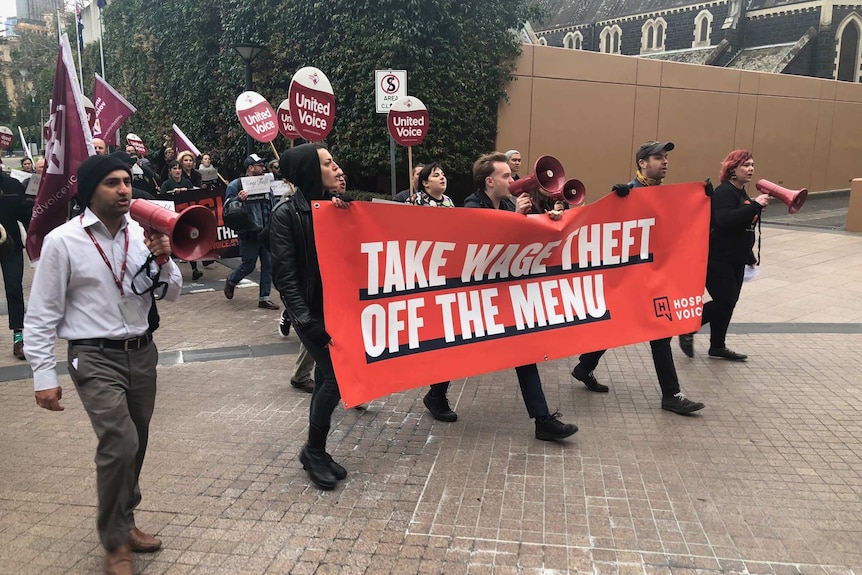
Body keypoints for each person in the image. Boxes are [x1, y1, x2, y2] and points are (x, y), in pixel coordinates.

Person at [24, 154, 183, 575]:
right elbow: (40, 316)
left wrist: (165, 258)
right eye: (113, 182)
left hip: (142, 353)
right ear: (90, 190)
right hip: (92, 356)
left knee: (138, 441)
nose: (125, 189)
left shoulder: (143, 233)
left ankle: (126, 520)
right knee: (120, 443)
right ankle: (114, 542)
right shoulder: (63, 241)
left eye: (128, 181)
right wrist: (44, 376)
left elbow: (171, 294)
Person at [422, 152, 578, 442]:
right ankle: (436, 395)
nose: (512, 179)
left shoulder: (507, 202)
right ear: (489, 181)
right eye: (506, 176)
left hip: (502, 292)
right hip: (472, 293)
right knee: (457, 348)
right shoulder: (472, 205)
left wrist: (550, 218)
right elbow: (484, 243)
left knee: (523, 351)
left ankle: (542, 419)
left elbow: (528, 235)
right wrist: (516, 216)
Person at [570, 141, 705, 415]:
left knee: (657, 332)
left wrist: (701, 202)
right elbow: (605, 226)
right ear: (642, 163)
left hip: (651, 279)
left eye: (666, 157)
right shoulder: (628, 192)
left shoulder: (664, 195)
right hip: (628, 278)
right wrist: (617, 200)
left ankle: (587, 368)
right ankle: (670, 395)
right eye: (658, 157)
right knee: (627, 327)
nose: (665, 161)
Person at [269, 143, 350, 490]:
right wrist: (306, 321)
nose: (337, 168)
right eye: (328, 163)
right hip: (312, 314)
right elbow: (285, 277)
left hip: (341, 310)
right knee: (333, 378)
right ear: (308, 172)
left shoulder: (339, 208)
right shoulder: (286, 215)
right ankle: (313, 450)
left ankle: (316, 450)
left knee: (327, 375)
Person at [679, 150, 768, 361]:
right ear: (732, 170)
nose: (751, 169)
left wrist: (750, 258)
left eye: (752, 165)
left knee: (729, 302)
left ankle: (718, 346)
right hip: (717, 258)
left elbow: (742, 229)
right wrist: (755, 206)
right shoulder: (724, 192)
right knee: (725, 300)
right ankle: (688, 327)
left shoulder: (742, 194)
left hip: (735, 258)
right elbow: (724, 220)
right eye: (745, 165)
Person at [224, 154, 278, 309]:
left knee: (268, 264)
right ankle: (232, 280)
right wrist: (238, 200)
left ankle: (264, 298)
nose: (262, 167)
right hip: (249, 231)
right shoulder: (236, 185)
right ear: (250, 168)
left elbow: (272, 201)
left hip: (266, 229)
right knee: (248, 265)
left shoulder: (267, 182)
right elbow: (228, 206)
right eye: (259, 165)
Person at [0, 169, 30, 359]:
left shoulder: (12, 185)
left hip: (10, 245)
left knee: (13, 288)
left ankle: (19, 337)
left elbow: (26, 216)